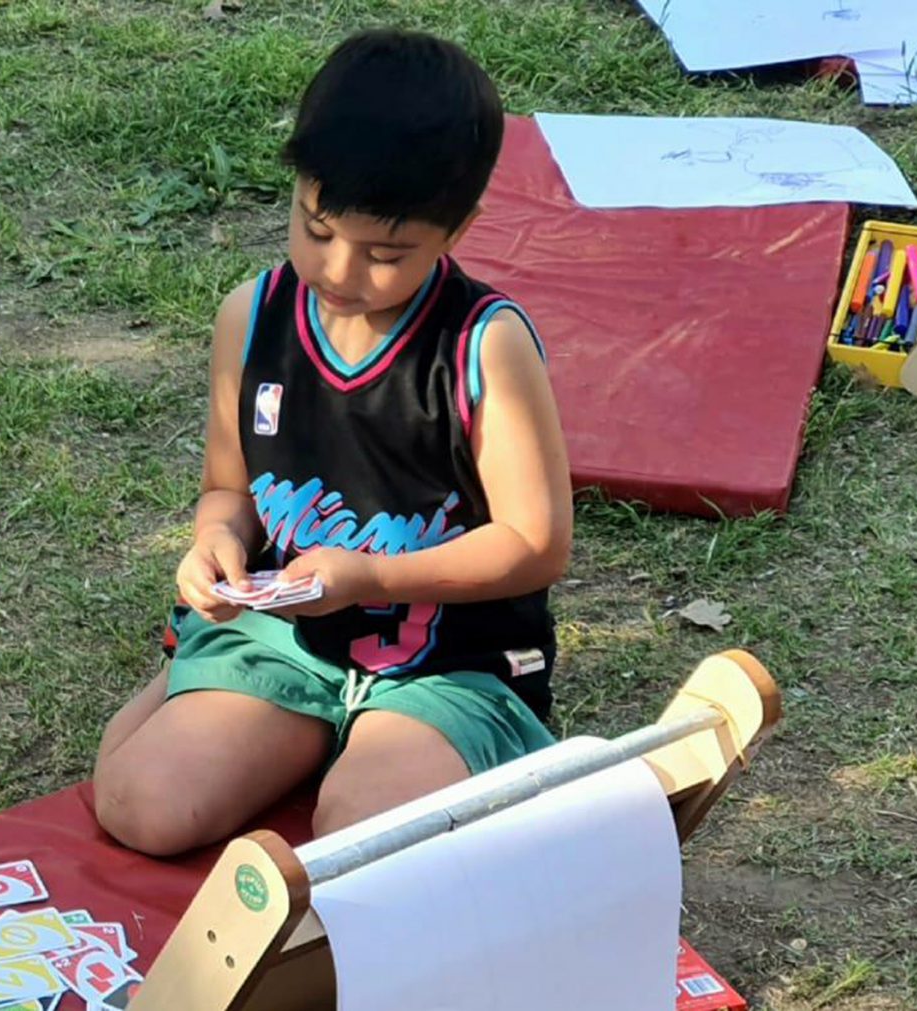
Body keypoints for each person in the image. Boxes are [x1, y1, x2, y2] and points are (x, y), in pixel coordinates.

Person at [92, 29, 574, 856]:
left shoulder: (483, 346)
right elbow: (230, 488)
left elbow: (535, 544)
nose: (341, 271)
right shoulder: (252, 317)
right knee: (143, 805)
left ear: (458, 229)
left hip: (448, 663)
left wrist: (373, 577)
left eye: (387, 253)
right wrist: (216, 541)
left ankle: (400, 749)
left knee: (365, 839)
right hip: (289, 640)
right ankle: (229, 689)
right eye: (316, 229)